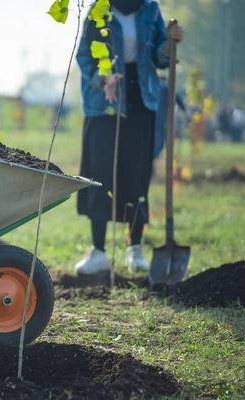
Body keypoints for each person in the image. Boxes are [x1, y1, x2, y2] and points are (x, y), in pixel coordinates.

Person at [75, 0, 184, 277]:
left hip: (141, 98)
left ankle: (135, 248)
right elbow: (85, 56)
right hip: (105, 100)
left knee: (137, 174)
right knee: (99, 174)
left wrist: (170, 42)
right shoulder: (100, 10)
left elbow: (161, 57)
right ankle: (98, 251)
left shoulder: (149, 10)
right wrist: (103, 78)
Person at [153, 74, 187, 161]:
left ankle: (152, 160)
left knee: (153, 139)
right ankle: (154, 157)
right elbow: (179, 100)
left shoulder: (154, 86)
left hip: (152, 117)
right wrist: (184, 110)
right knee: (160, 140)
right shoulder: (168, 87)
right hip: (162, 118)